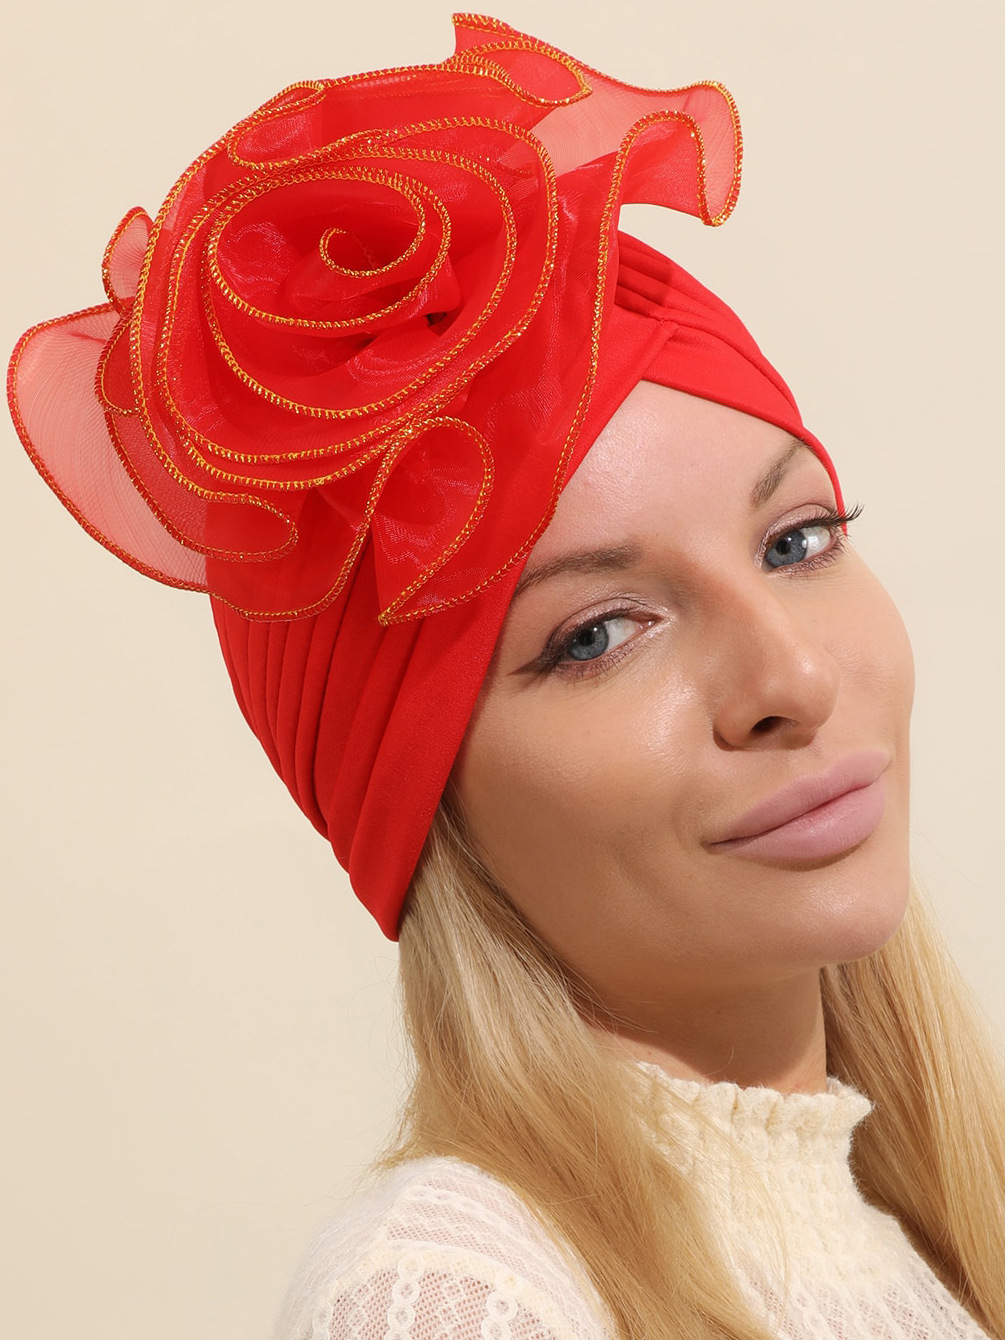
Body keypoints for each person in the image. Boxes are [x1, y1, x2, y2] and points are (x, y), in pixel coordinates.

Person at [8, 14, 1005, 1340]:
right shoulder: (459, 1301)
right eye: (596, 634)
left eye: (797, 540)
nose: (792, 674)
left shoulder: (934, 1242)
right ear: (420, 802)